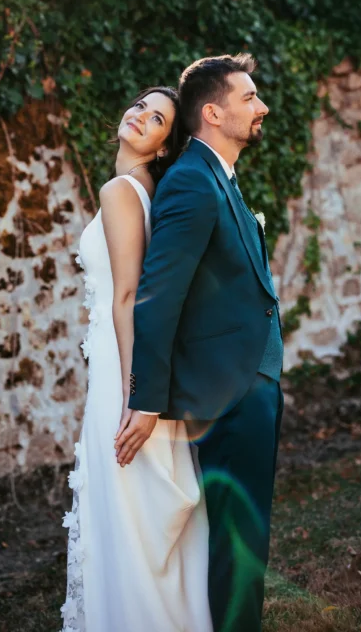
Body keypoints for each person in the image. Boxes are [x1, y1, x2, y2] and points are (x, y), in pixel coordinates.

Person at [118, 54, 283, 632]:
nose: (262, 107)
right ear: (213, 113)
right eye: (249, 98)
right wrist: (145, 397)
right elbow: (158, 296)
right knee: (239, 551)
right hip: (229, 394)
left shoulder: (219, 176)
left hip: (249, 385)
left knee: (247, 543)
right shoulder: (191, 180)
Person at [61, 87, 212, 632]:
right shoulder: (146, 190)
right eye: (140, 107)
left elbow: (128, 297)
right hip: (129, 359)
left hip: (121, 366)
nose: (139, 117)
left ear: (163, 145)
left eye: (156, 119)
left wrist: (134, 391)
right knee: (134, 503)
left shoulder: (122, 191)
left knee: (124, 506)